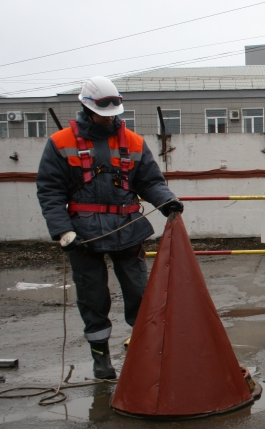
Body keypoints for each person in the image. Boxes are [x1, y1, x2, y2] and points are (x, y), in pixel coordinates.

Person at [37, 76, 183, 379]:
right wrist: (63, 231)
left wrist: (166, 201)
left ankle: (148, 351)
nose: (109, 120)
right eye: (102, 113)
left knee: (140, 293)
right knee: (92, 297)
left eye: (113, 113)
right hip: (82, 235)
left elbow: (150, 181)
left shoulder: (134, 142)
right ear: (86, 107)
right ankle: (101, 358)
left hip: (127, 229)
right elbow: (50, 191)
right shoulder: (60, 143)